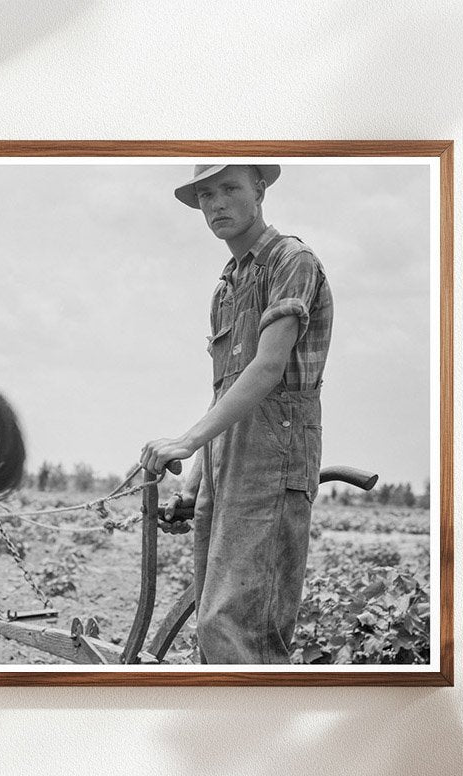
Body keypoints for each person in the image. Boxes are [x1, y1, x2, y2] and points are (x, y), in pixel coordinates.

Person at [139, 164, 333, 664]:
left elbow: (268, 368)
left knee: (240, 630)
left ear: (260, 189)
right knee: (213, 626)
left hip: (273, 460)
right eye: (206, 195)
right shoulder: (228, 284)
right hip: (227, 463)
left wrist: (184, 442)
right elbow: (226, 386)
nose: (216, 203)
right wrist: (196, 477)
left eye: (229, 189)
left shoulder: (292, 260)